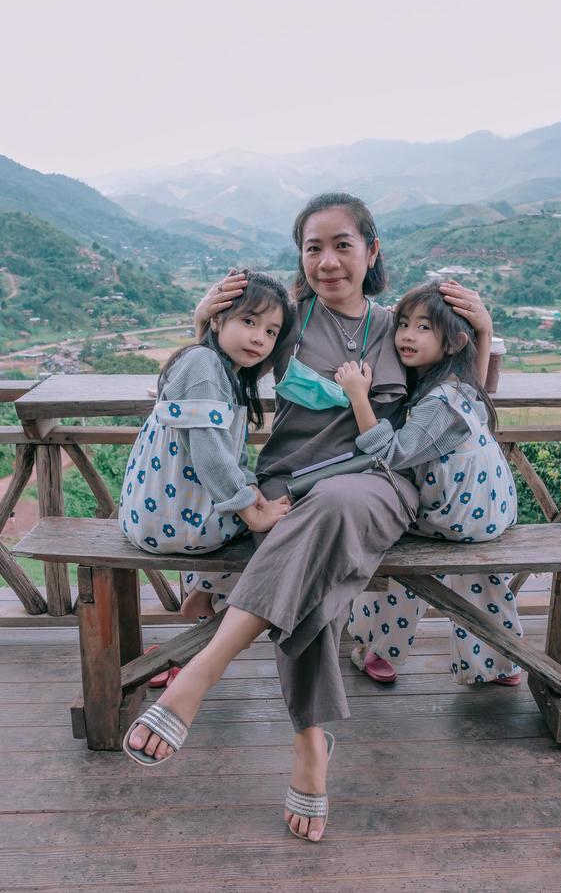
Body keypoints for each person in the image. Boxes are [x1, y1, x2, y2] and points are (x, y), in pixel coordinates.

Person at [123, 193, 493, 845]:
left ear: (371, 252)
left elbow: (458, 400)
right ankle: (310, 748)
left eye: (342, 244)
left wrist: (483, 335)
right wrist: (202, 322)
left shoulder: (401, 324)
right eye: (313, 247)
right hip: (285, 485)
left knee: (330, 510)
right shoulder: (287, 323)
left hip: (377, 486)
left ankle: (202, 674)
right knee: (311, 556)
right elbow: (214, 375)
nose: (327, 260)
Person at [336, 280, 522, 686]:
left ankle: (376, 648)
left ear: (453, 343)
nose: (406, 335)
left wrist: (358, 397)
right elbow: (478, 374)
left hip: (449, 517)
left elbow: (392, 454)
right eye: (403, 323)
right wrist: (484, 332)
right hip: (486, 514)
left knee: (384, 544)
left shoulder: (440, 402)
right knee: (483, 580)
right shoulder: (459, 385)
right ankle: (499, 661)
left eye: (424, 327)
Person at [119, 270, 294, 621]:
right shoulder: (203, 365)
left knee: (268, 502)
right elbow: (211, 451)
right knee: (293, 525)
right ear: (216, 319)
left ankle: (201, 600)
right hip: (181, 524)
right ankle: (204, 594)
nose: (259, 338)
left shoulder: (214, 367)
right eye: (249, 321)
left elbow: (225, 454)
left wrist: (249, 490)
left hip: (150, 517)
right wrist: (252, 510)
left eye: (271, 332)